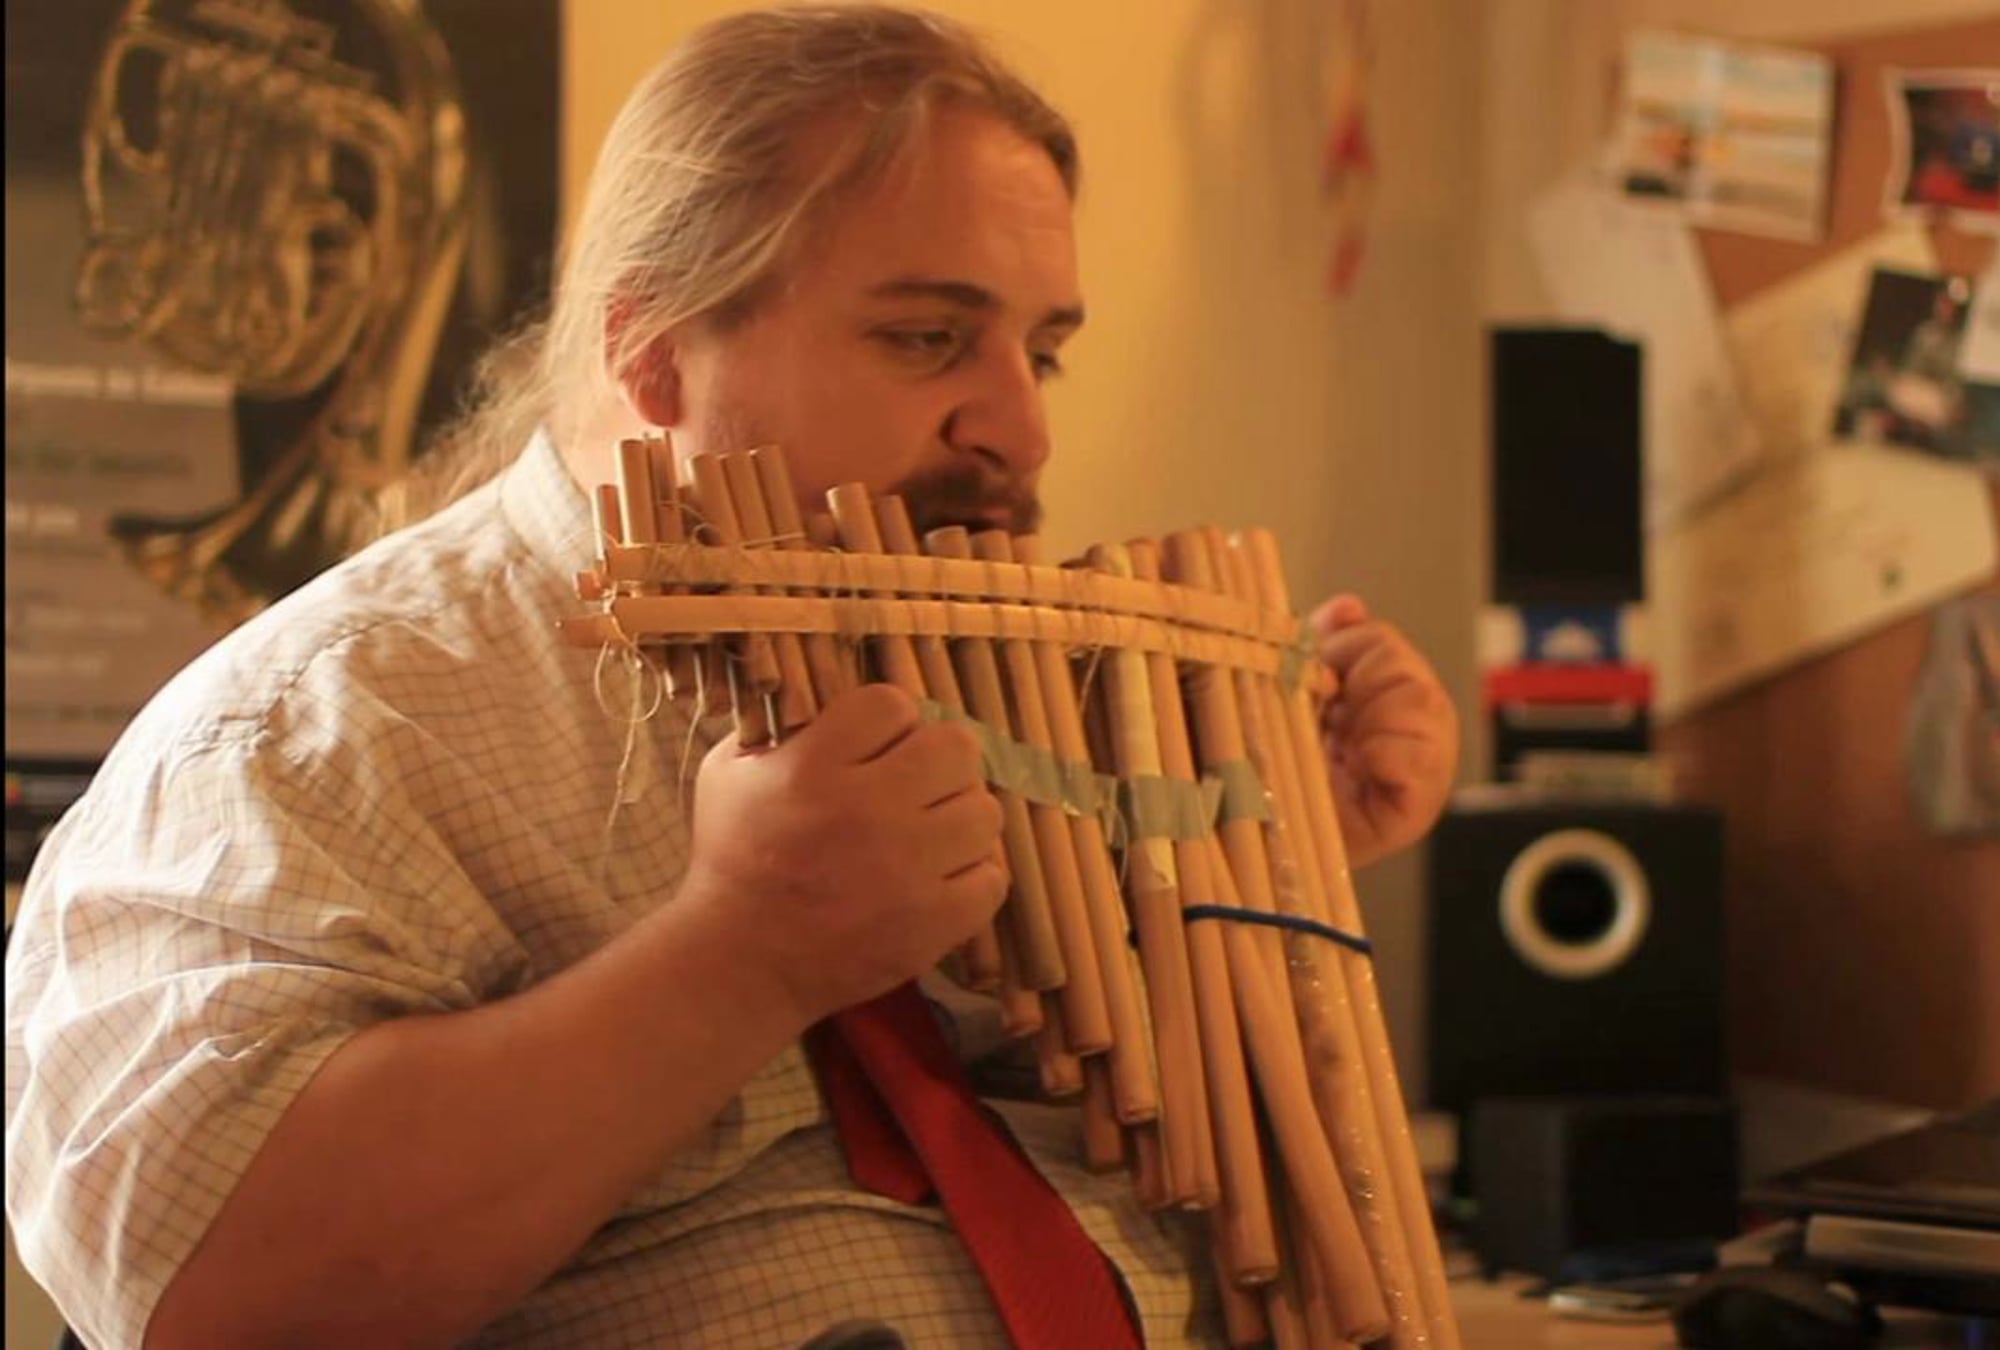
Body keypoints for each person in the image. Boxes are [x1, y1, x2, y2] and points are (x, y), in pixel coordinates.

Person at [2, 8, 1463, 1349]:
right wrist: (742, 956)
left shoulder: (1040, 705)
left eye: (1046, 353)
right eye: (927, 337)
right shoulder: (316, 732)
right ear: (654, 353)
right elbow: (199, 1294)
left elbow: (1204, 1171)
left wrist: (1261, 847)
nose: (1021, 430)